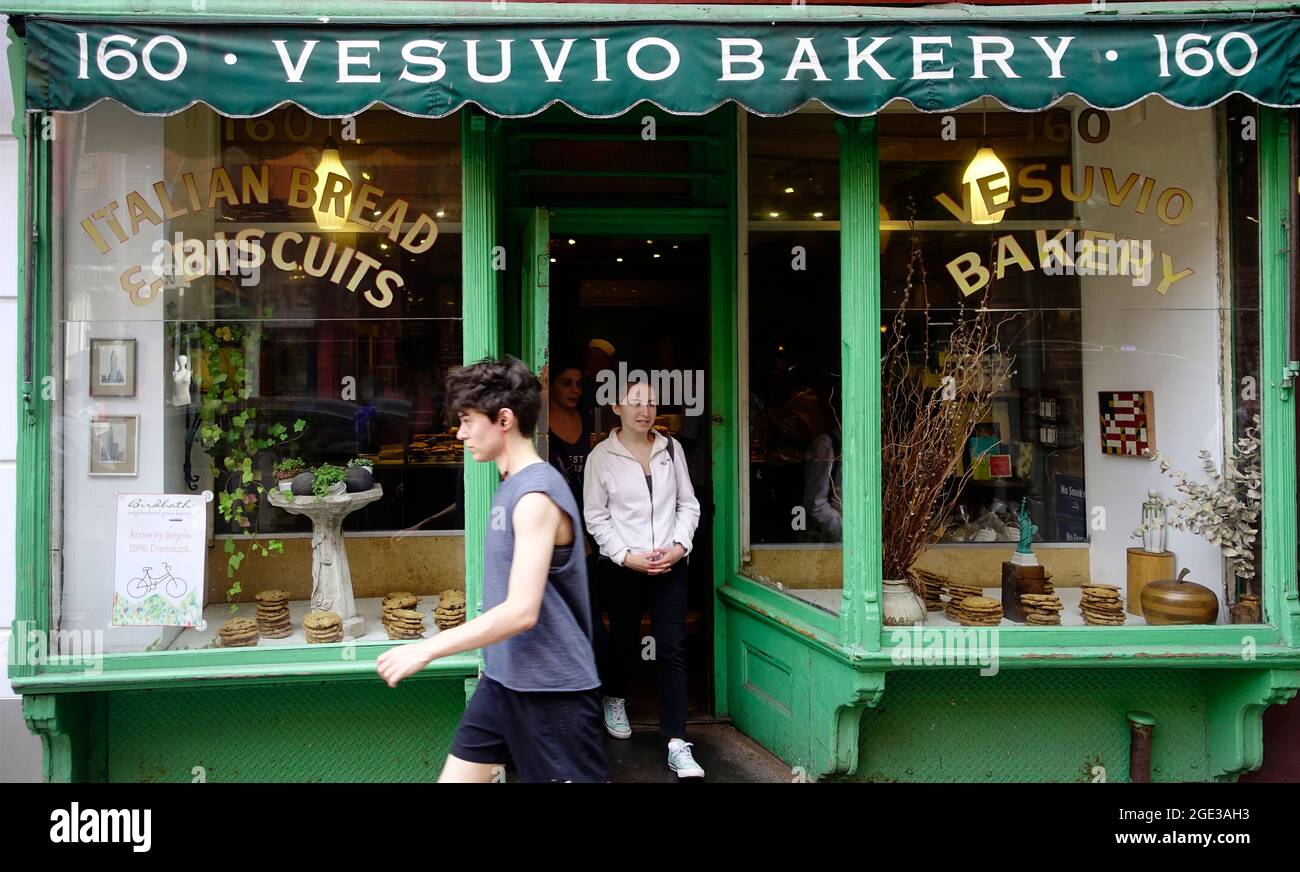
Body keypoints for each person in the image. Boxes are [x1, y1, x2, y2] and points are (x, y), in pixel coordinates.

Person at [376, 356, 607, 783]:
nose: (460, 432)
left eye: (467, 420)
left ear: (504, 419)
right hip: (503, 679)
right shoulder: (510, 484)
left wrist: (427, 648)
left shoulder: (537, 495)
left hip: (553, 692)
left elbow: (522, 611)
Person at [584, 380, 704, 779]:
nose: (645, 410)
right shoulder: (601, 456)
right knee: (623, 639)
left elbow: (688, 503)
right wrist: (624, 556)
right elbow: (595, 516)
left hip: (670, 564)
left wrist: (680, 545)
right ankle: (615, 697)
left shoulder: (672, 449)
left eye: (651, 402)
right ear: (617, 407)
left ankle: (676, 742)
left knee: (672, 648)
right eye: (636, 402)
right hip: (623, 567)